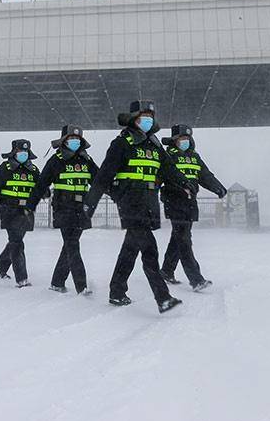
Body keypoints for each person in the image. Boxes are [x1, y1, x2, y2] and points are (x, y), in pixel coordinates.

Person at [84, 101, 196, 313]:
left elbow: (170, 169)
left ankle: (117, 291)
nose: (147, 120)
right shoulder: (122, 143)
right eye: (143, 116)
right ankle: (163, 297)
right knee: (149, 249)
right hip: (130, 202)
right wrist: (90, 205)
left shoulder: (155, 145)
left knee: (131, 248)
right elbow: (103, 176)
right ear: (133, 118)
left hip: (150, 203)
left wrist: (185, 183)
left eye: (150, 117)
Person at [26, 125, 98, 296]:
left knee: (69, 245)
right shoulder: (56, 160)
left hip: (82, 209)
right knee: (73, 245)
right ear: (63, 140)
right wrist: (30, 205)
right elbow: (41, 184)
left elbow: (99, 180)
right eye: (71, 139)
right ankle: (82, 286)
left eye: (78, 139)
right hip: (64, 208)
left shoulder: (86, 160)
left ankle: (57, 282)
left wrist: (119, 195)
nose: (75, 141)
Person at [158, 125, 227, 290]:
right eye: (182, 139)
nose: (185, 142)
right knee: (184, 239)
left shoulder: (195, 157)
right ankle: (196, 278)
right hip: (174, 202)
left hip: (190, 203)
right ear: (174, 141)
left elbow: (205, 176)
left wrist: (218, 187)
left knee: (179, 237)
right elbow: (159, 177)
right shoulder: (167, 157)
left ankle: (166, 271)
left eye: (187, 139)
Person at [0, 139, 41, 288]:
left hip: (26, 211)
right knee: (17, 241)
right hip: (9, 209)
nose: (23, 154)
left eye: (25, 152)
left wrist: (44, 193)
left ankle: (0, 269)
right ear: (14, 152)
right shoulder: (5, 168)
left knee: (15, 241)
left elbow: (40, 186)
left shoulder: (33, 170)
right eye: (20, 152)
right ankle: (22, 278)